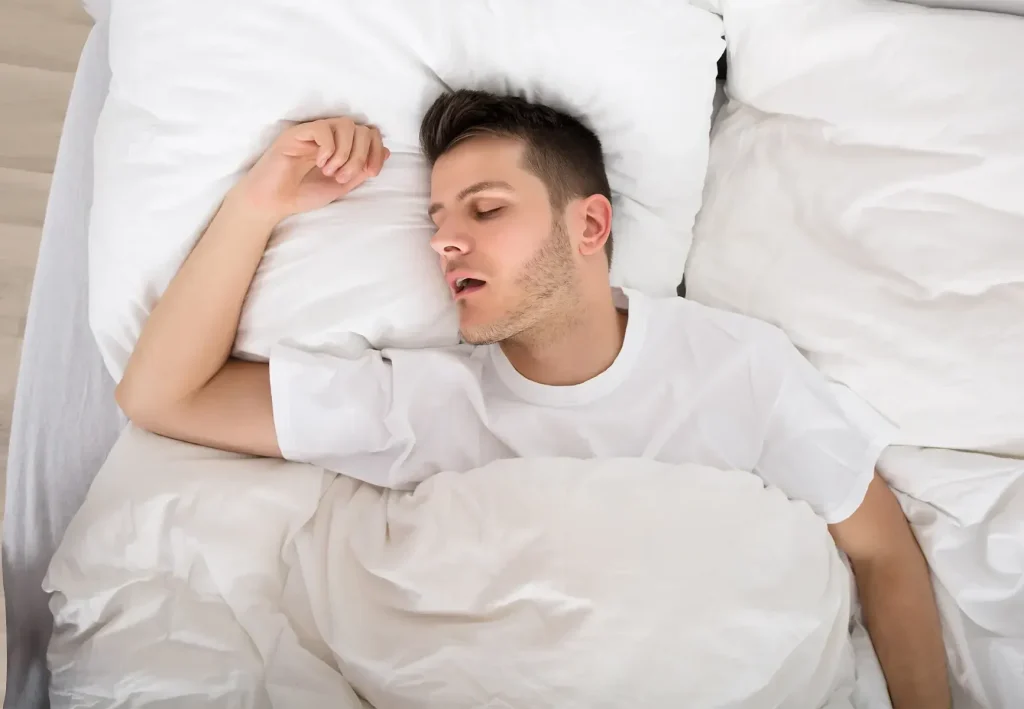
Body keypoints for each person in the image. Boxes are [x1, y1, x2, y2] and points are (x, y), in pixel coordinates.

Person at [117, 89, 950, 709]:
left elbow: (881, 555)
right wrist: (259, 202)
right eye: (438, 217)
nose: (446, 238)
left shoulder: (738, 368)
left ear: (589, 227)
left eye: (485, 209)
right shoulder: (425, 401)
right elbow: (163, 396)